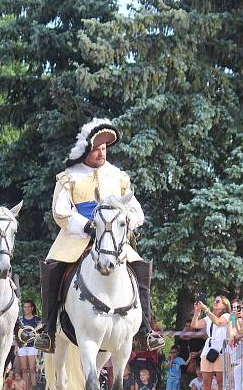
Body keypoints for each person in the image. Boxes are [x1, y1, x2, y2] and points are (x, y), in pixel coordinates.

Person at [34, 118, 164, 352]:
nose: (101, 153)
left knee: (142, 268)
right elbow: (60, 211)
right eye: (96, 149)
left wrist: (126, 224)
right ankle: (48, 330)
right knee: (53, 269)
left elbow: (137, 211)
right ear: (86, 149)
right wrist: (87, 227)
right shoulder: (69, 176)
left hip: (114, 237)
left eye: (104, 149)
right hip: (77, 236)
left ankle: (144, 331)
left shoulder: (118, 176)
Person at [192, 296, 231, 390]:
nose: (215, 302)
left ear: (224, 305)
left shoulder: (227, 316)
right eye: (214, 301)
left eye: (218, 301)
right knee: (206, 382)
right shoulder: (208, 317)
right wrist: (197, 312)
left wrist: (206, 309)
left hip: (221, 350)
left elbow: (218, 322)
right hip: (208, 351)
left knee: (220, 382)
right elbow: (195, 325)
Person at [15, 300, 41, 390]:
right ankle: (26, 389)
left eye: (28, 307)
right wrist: (15, 347)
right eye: (25, 307)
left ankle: (34, 389)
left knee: (32, 368)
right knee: (24, 369)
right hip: (22, 346)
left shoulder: (37, 320)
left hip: (32, 346)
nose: (26, 308)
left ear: (32, 308)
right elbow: (17, 334)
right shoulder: (20, 319)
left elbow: (40, 333)